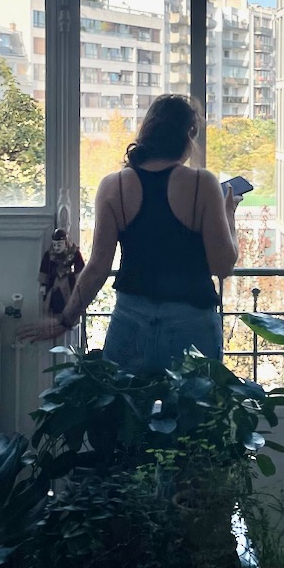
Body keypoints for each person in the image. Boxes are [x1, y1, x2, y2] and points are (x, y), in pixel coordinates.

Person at [17, 94, 241, 373]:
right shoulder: (202, 183)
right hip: (191, 322)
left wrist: (65, 320)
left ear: (148, 131)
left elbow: (98, 268)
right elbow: (223, 266)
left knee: (127, 415)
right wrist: (229, 216)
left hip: (132, 319)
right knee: (191, 416)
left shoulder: (114, 187)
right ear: (189, 134)